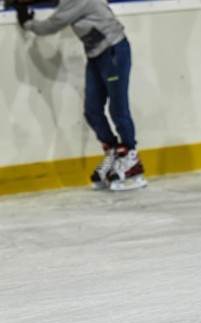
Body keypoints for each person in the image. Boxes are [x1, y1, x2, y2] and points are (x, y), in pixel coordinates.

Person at [14, 0, 146, 191]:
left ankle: (130, 158)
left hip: (113, 50)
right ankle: (113, 152)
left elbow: (52, 25)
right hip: (95, 56)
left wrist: (28, 23)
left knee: (118, 108)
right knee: (92, 110)